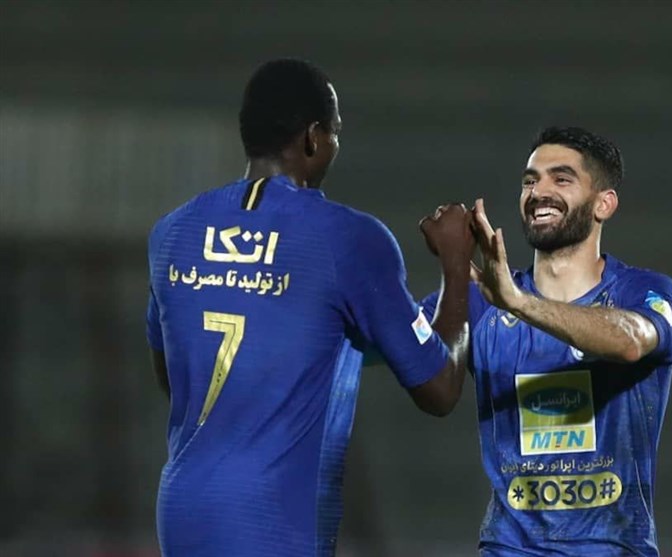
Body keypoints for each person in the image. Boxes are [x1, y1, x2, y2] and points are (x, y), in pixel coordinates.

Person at [145, 59, 474, 557]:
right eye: (335, 132)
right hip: (274, 522)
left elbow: (173, 375)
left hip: (182, 513)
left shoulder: (173, 233)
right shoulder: (348, 239)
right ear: (313, 138)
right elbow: (441, 387)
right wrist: (457, 264)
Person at [421, 126, 672, 556]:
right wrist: (452, 270)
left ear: (604, 204)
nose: (539, 192)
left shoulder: (644, 291)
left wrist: (519, 302)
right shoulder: (481, 302)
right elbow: (393, 343)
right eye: (530, 181)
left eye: (561, 179)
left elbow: (631, 341)